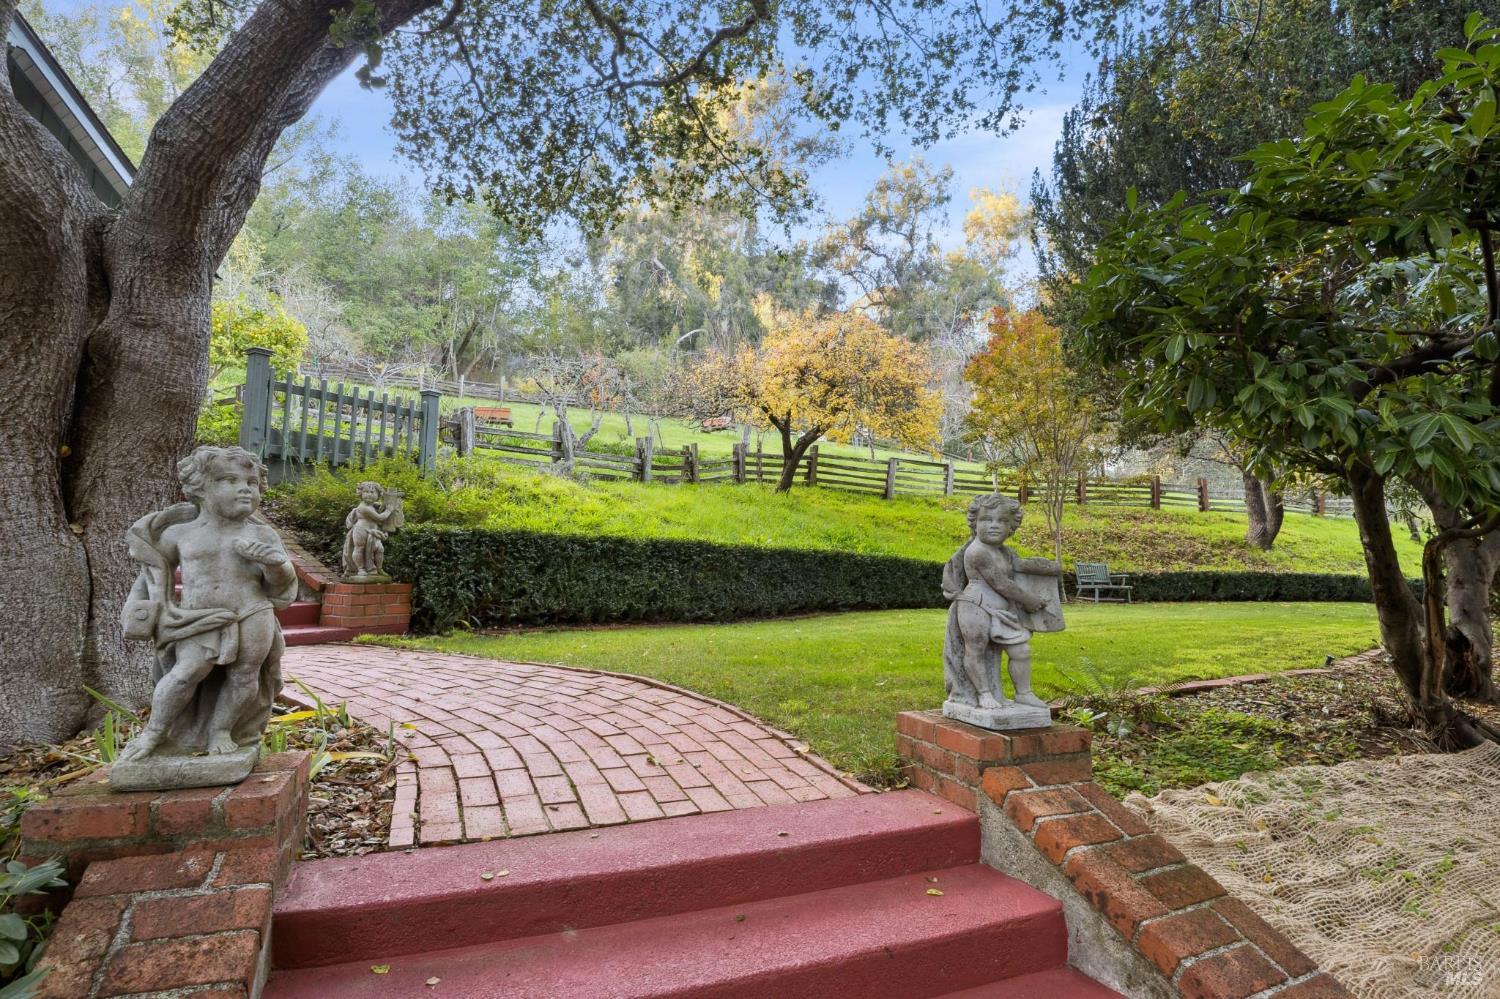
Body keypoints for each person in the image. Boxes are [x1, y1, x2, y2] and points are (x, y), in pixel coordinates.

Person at [118, 446, 296, 760]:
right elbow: (152, 575)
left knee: (245, 676)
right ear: (201, 487)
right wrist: (142, 608)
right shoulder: (179, 534)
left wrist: (275, 566)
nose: (244, 487)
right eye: (229, 480)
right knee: (186, 672)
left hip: (253, 612)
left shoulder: (263, 535)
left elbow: (280, 588)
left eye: (251, 483)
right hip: (196, 617)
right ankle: (154, 734)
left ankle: (222, 730)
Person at [942, 493, 1060, 711]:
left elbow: (1020, 568)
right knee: (976, 650)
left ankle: (1024, 693)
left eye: (1002, 521)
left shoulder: (1004, 551)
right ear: (975, 523)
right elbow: (1001, 584)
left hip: (1002, 610)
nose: (994, 526)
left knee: (1021, 651)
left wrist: (1046, 568)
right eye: (987, 520)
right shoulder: (977, 552)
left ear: (1011, 527)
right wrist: (1029, 600)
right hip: (976, 606)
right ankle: (983, 694)